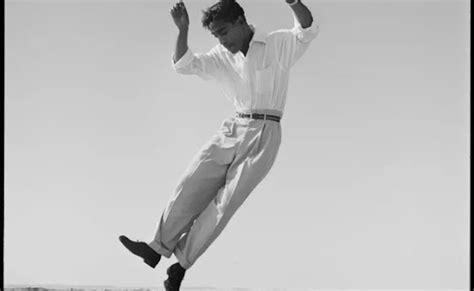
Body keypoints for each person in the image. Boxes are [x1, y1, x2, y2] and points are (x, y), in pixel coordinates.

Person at [119, 0, 318, 289]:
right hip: (234, 127)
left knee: (223, 204)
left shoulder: (278, 44)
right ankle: (155, 248)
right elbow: (185, 65)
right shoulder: (221, 55)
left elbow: (307, 29)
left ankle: (180, 267)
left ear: (240, 21)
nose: (222, 41)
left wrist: (292, 2)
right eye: (216, 36)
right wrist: (183, 30)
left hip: (265, 133)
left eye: (224, 32)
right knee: (191, 182)